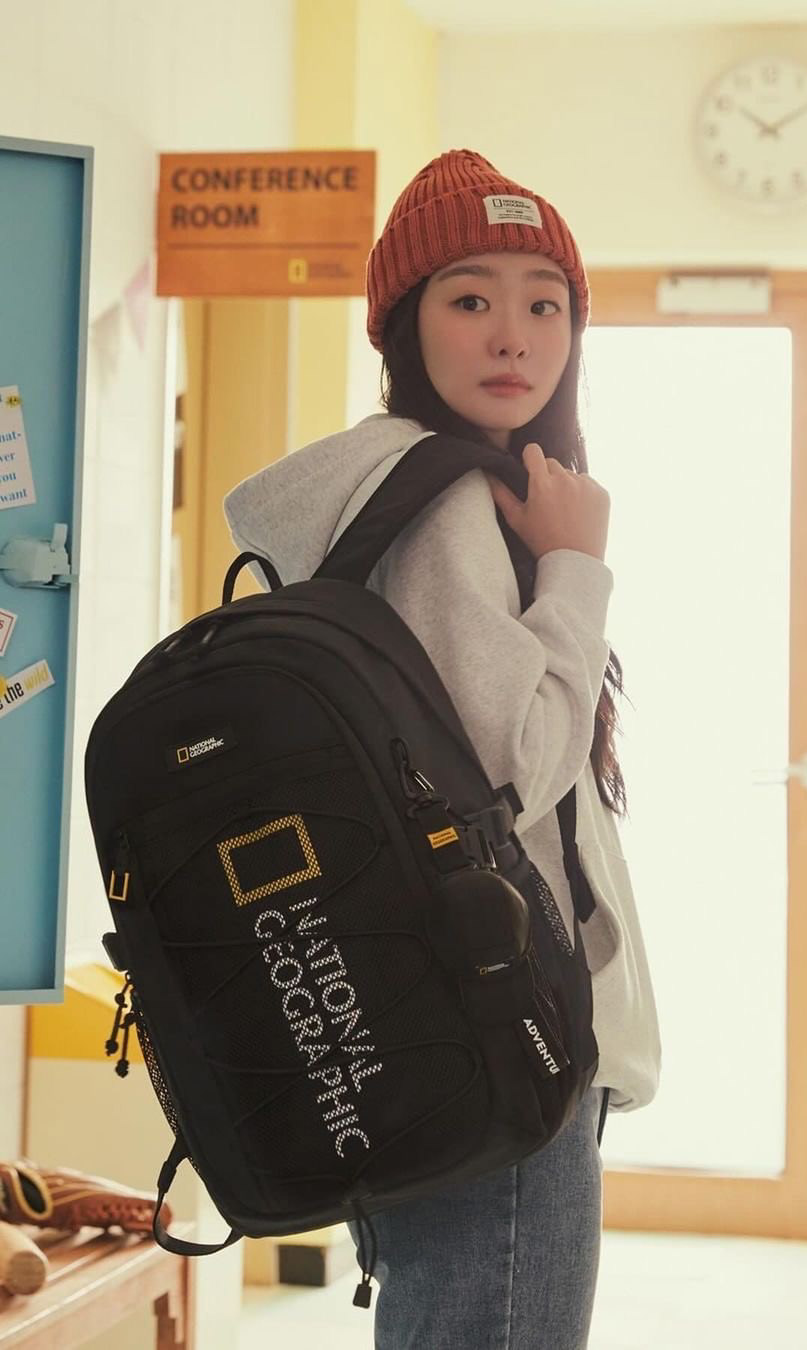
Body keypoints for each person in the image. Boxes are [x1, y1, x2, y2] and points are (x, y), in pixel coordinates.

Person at [223, 148, 661, 1350]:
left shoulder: (400, 497)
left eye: (545, 304)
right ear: (404, 325)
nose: (513, 335)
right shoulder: (445, 504)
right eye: (471, 299)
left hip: (434, 1009)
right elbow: (511, 762)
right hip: (495, 1016)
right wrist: (576, 569)